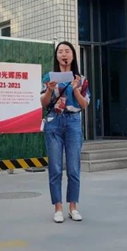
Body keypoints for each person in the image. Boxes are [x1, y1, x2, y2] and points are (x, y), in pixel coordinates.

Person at [41, 41, 90, 223]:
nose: (64, 54)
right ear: (56, 56)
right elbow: (43, 103)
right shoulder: (49, 77)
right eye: (60, 51)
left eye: (67, 51)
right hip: (54, 121)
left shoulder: (81, 79)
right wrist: (49, 89)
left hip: (73, 122)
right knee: (55, 167)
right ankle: (58, 207)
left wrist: (76, 90)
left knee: (74, 167)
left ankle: (73, 207)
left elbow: (84, 104)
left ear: (73, 55)